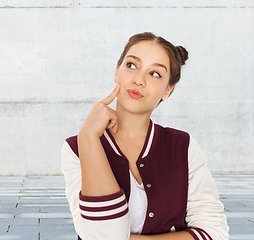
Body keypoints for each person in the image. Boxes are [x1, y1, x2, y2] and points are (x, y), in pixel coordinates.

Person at [61, 32, 229, 240]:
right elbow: (102, 234)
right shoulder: (77, 147)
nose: (138, 80)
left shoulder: (183, 146)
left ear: (168, 90)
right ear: (116, 72)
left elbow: (214, 233)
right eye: (132, 65)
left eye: (155, 74)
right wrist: (88, 136)